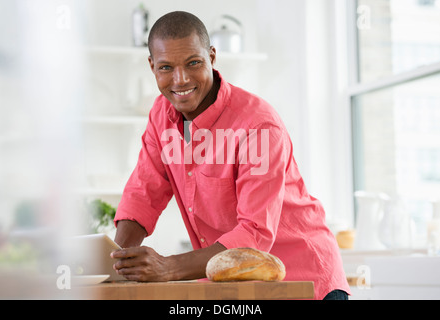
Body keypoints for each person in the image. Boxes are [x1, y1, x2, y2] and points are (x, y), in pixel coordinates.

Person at [111, 11, 350, 300]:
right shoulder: (161, 115)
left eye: (193, 63)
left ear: (212, 57)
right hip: (237, 283)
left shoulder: (258, 126)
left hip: (305, 279)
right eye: (166, 67)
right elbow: (142, 194)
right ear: (152, 66)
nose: (180, 79)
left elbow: (254, 234)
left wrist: (167, 267)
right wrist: (117, 263)